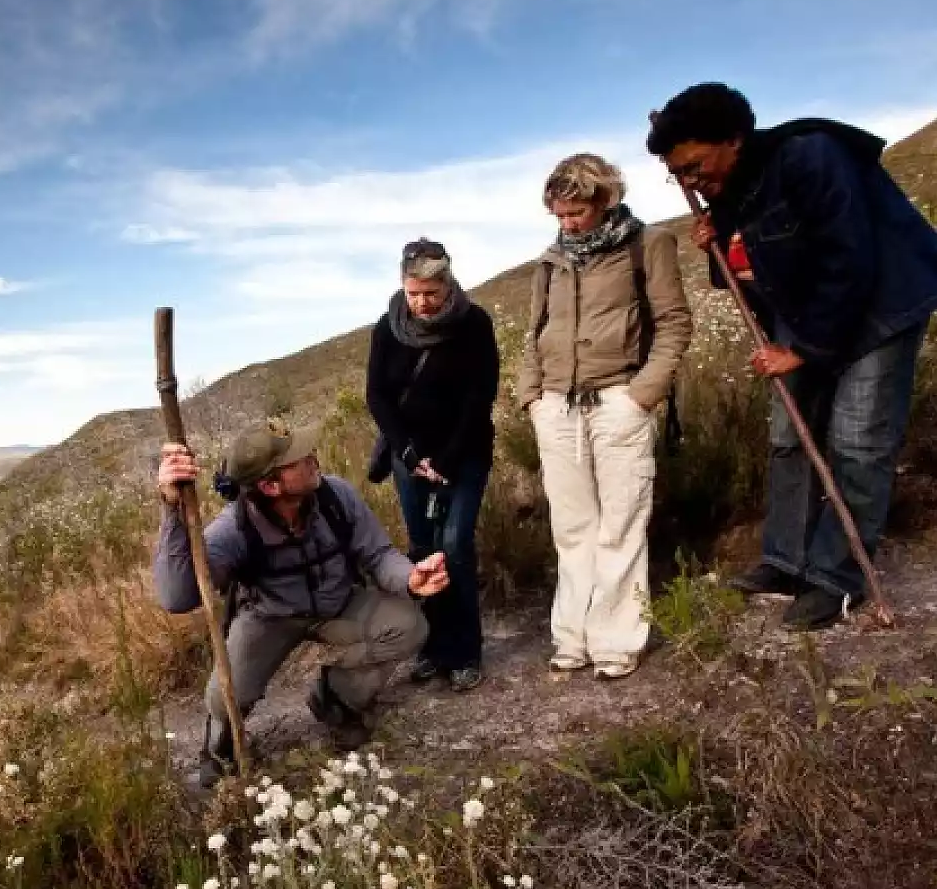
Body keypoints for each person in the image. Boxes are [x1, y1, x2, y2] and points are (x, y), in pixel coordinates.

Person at [647, 82, 937, 629]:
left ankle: (836, 578)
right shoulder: (730, 189)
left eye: (694, 165)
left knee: (857, 442)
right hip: (807, 314)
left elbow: (849, 261)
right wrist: (717, 242)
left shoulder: (810, 156)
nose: (689, 181)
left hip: (880, 307)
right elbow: (748, 276)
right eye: (678, 173)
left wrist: (801, 351)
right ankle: (785, 561)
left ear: (733, 140)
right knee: (789, 437)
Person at [153, 421, 449, 786]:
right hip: (269, 617)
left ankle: (335, 699)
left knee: (409, 626)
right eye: (297, 459)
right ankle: (221, 746)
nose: (311, 458)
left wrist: (409, 578)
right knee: (223, 698)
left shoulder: (335, 496)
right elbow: (177, 597)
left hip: (337, 604)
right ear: (270, 485)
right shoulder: (234, 529)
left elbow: (378, 555)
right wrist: (172, 510)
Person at [517, 154, 692, 678]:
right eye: (560, 215)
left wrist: (643, 395)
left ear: (604, 200)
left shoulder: (647, 244)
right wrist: (532, 394)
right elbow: (535, 331)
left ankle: (616, 642)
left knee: (622, 523)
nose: (567, 224)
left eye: (576, 213)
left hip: (618, 399)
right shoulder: (550, 260)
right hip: (555, 406)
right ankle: (571, 637)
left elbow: (674, 322)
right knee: (571, 528)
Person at [366, 238, 500, 692]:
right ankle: (432, 645)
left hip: (463, 453)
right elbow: (377, 395)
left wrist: (447, 458)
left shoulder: (474, 323)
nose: (422, 303)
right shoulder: (388, 328)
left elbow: (479, 395)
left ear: (447, 284)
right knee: (423, 548)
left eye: (431, 293)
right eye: (414, 293)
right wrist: (407, 453)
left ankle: (465, 651)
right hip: (410, 457)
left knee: (456, 544)